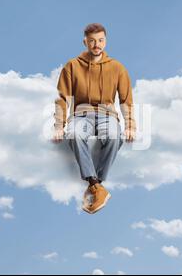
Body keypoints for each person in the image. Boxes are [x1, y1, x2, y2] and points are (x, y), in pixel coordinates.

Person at [51, 23, 136, 214]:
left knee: (116, 136)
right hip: (81, 114)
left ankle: (94, 186)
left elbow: (126, 100)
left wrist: (130, 125)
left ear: (105, 41)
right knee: (73, 134)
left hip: (108, 115)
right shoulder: (72, 66)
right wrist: (59, 125)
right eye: (92, 41)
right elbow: (62, 98)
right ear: (85, 42)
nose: (96, 45)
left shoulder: (117, 67)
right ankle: (97, 186)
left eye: (100, 40)